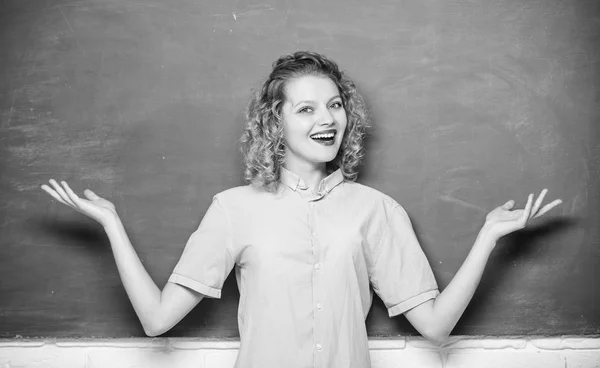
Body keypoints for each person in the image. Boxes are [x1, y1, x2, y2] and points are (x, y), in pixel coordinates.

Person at [41, 51, 562, 368]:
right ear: (276, 122)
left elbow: (435, 327)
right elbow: (156, 322)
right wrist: (111, 224)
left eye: (335, 104)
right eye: (307, 107)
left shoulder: (375, 210)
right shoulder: (232, 210)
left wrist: (488, 236)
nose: (327, 118)